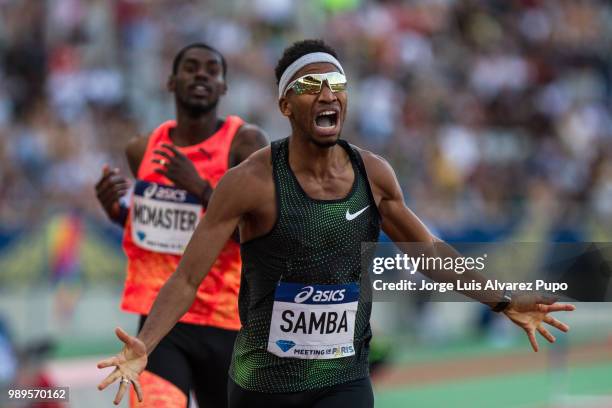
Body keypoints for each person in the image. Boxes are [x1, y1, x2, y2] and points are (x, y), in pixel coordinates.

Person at [97, 39, 575, 408]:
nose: (327, 95)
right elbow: (186, 277)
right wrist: (147, 342)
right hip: (263, 383)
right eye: (309, 86)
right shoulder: (250, 182)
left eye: (336, 85)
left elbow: (429, 251)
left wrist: (503, 298)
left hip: (342, 379)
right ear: (286, 105)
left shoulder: (374, 174)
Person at [94, 42, 267, 407]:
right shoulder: (142, 150)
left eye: (212, 69)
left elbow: (261, 236)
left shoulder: (245, 144)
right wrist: (118, 214)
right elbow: (158, 230)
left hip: (228, 322)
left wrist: (202, 188)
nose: (201, 73)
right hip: (162, 322)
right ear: (171, 82)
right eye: (190, 67)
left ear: (223, 87)